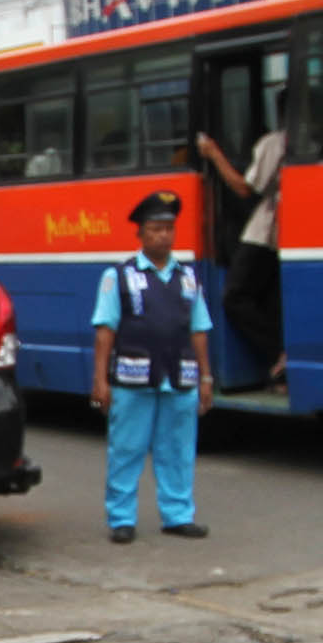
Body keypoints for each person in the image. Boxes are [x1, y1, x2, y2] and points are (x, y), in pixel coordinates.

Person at [89, 189, 215, 543]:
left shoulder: (188, 278)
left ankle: (177, 516)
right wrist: (100, 380)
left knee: (177, 451)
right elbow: (105, 331)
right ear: (140, 234)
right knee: (126, 449)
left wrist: (206, 377)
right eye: (155, 229)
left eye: (168, 229)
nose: (163, 235)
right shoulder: (119, 277)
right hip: (132, 380)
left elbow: (200, 330)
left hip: (180, 378)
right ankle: (121, 519)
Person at [196, 116, 287, 377]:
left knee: (235, 296)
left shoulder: (275, 142)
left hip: (265, 231)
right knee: (269, 298)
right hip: (282, 232)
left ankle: (280, 352)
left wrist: (213, 154)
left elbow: (244, 188)